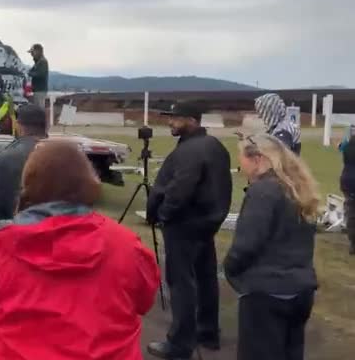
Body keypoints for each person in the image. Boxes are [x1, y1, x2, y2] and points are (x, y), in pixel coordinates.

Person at [0, 139, 160, 360]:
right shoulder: (125, 244)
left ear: (29, 184)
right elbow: (144, 301)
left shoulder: (0, 243)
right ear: (88, 181)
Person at [146, 102, 233, 359]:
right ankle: (208, 333)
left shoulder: (190, 151)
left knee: (181, 282)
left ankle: (180, 343)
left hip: (183, 224)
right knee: (206, 278)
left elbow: (180, 189)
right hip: (206, 223)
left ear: (193, 120)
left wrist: (164, 214)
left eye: (177, 118)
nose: (170, 122)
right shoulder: (214, 146)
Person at [224, 133, 319, 360]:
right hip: (300, 289)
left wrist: (230, 269)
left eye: (242, 158)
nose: (240, 164)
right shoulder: (296, 187)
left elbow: (247, 244)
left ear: (257, 159)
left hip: (268, 293)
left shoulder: (264, 191)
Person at [0, 104, 48, 224]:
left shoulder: (7, 157)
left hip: (20, 233)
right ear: (46, 127)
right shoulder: (64, 155)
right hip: (58, 236)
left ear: (19, 126)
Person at [339, 125, 355, 255]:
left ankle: (353, 243)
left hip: (347, 181)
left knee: (351, 212)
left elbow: (340, 147)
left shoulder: (347, 146)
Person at [27, 43, 49, 108]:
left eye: (32, 52)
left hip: (40, 91)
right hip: (37, 90)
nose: (31, 55)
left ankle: (41, 118)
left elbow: (41, 74)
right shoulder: (38, 62)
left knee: (39, 109)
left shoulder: (43, 62)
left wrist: (30, 73)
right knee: (37, 108)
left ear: (37, 52)